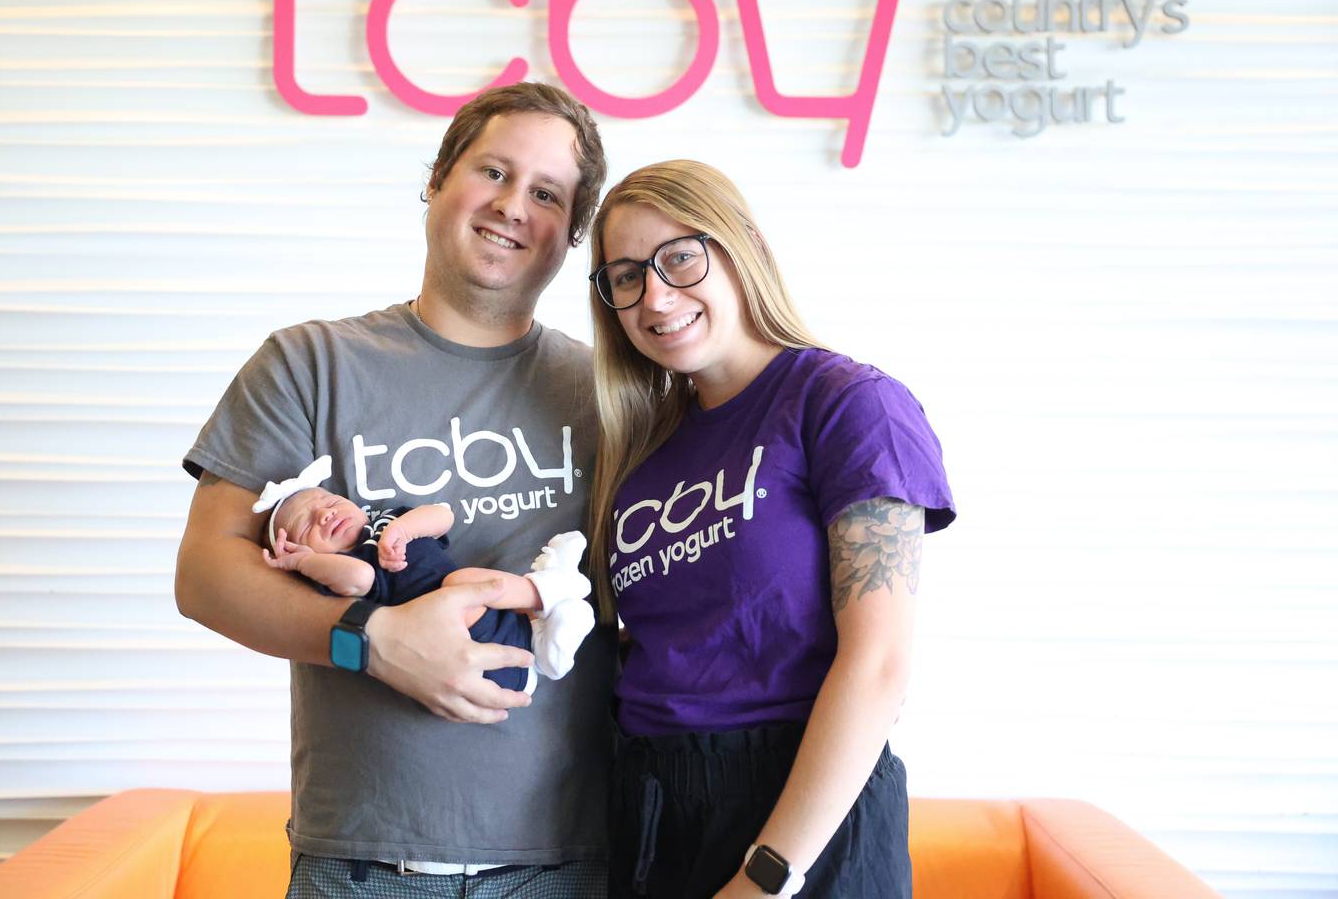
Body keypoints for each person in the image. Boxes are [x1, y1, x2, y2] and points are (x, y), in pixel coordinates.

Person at [175, 82, 613, 896]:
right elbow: (203, 575)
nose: (514, 205)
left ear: (570, 232)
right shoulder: (310, 362)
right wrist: (371, 642)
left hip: (571, 864)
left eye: (547, 193)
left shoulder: (609, 395)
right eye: (493, 171)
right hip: (365, 866)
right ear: (439, 179)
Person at [585, 160, 956, 898]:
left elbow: (879, 664)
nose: (655, 296)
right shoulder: (642, 450)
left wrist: (768, 875)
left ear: (743, 245)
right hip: (654, 814)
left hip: (801, 818)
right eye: (624, 277)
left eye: (680, 258)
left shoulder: (847, 404)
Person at [252, 455, 597, 693]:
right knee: (457, 586)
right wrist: (303, 563)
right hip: (464, 648)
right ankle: (556, 594)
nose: (325, 515)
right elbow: (361, 578)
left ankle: (549, 605)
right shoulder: (340, 569)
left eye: (327, 502)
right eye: (307, 524)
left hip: (503, 619)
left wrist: (403, 528)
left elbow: (443, 516)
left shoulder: (387, 520)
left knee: (462, 581)